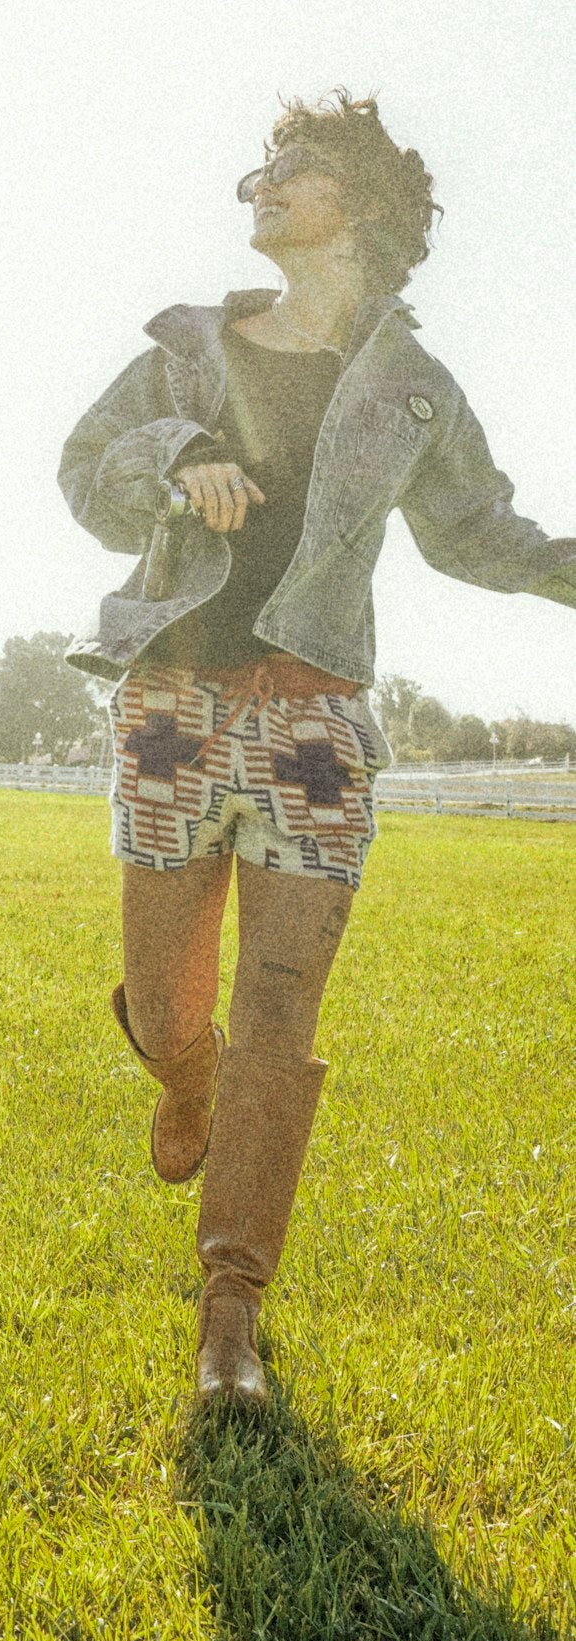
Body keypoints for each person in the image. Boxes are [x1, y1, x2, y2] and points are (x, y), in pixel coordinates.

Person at [59, 91, 576, 1406]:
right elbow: (82, 472)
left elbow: (479, 534)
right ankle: (181, 1076)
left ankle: (228, 1315)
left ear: (359, 202)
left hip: (314, 721)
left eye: (287, 167)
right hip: (172, 704)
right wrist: (177, 456)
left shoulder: (412, 385)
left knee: (277, 1016)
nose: (259, 183)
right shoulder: (185, 350)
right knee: (167, 1006)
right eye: (258, 168)